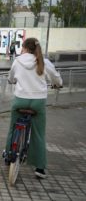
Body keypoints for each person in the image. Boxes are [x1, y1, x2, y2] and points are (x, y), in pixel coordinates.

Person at [5, 37, 62, 178]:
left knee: (13, 128)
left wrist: (13, 81)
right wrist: (58, 84)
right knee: (38, 134)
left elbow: (11, 78)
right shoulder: (44, 61)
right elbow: (56, 78)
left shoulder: (17, 61)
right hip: (38, 102)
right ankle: (40, 168)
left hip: (20, 100)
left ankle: (8, 155)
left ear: (24, 47)